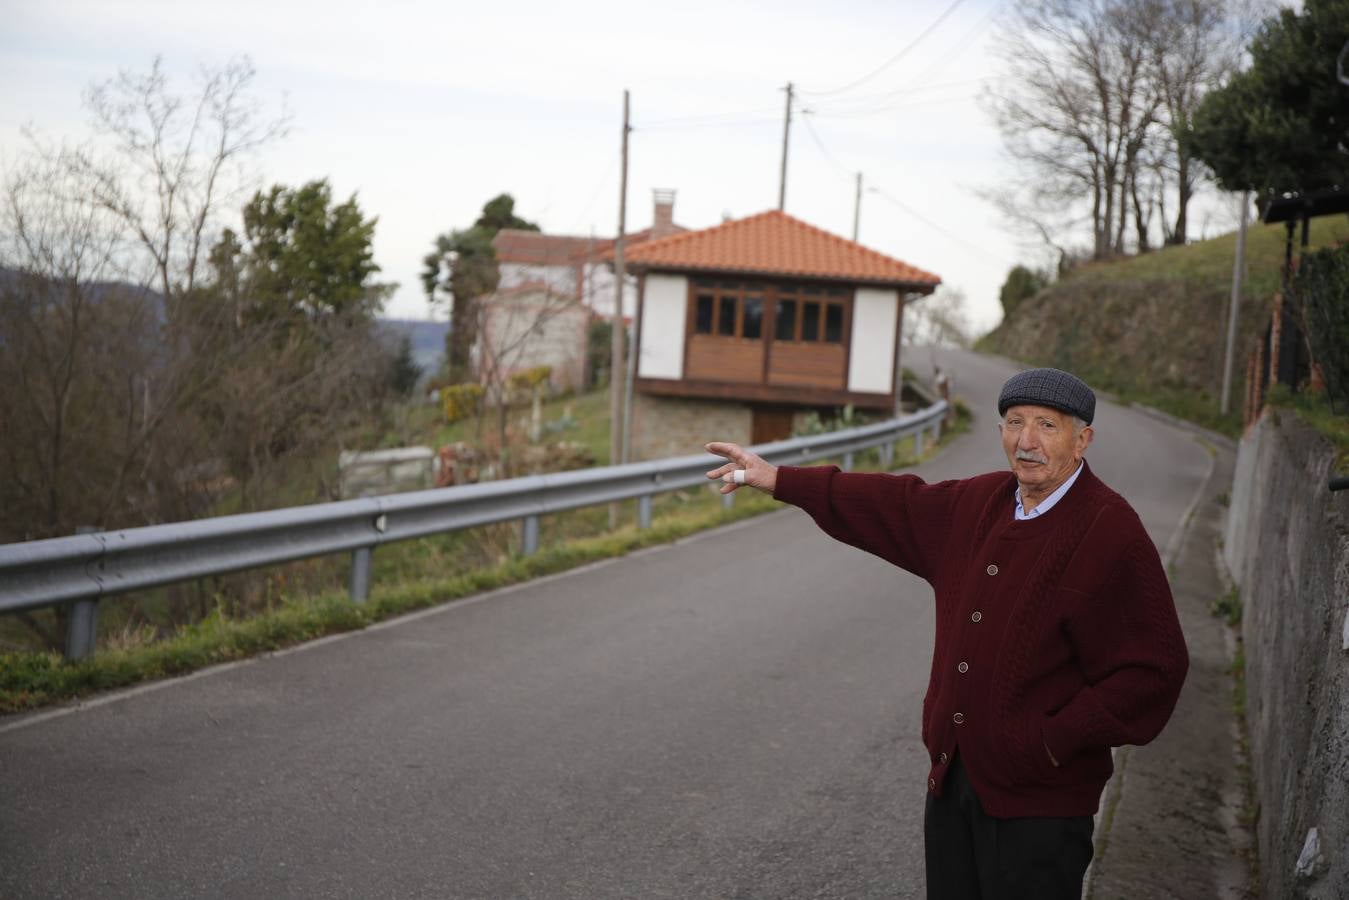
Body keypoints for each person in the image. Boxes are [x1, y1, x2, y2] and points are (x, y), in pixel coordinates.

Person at [704, 367, 1188, 900]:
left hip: (1042, 808)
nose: (1026, 442)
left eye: (1047, 426)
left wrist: (1051, 742)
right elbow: (892, 504)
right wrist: (782, 481)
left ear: (1082, 439)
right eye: (1014, 423)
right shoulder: (978, 504)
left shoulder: (1110, 530)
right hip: (954, 783)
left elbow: (1154, 669)